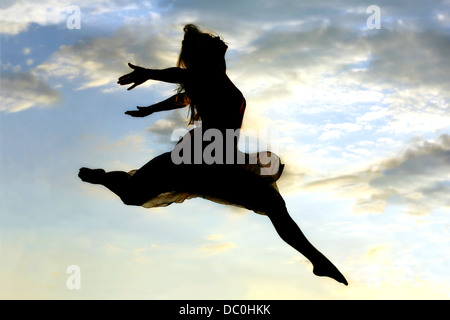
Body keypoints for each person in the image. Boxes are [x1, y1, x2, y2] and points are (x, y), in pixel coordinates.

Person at [78, 24, 348, 286]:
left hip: (222, 157)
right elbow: (182, 78)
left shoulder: (213, 79)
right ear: (206, 53)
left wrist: (151, 108)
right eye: (213, 40)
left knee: (272, 204)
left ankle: (317, 262)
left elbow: (183, 97)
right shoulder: (206, 75)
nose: (221, 41)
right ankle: (103, 178)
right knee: (132, 194)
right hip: (201, 156)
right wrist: (149, 73)